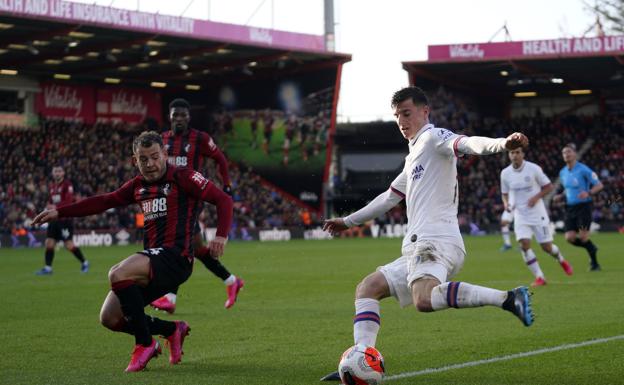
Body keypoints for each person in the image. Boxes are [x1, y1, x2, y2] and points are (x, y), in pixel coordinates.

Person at [320, 87, 533, 381]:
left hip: (437, 241)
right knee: (368, 288)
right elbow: (388, 198)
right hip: (418, 246)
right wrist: (348, 220)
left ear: (424, 112)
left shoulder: (435, 138)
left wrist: (502, 144)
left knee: (423, 299)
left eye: (406, 114)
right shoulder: (413, 157)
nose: (401, 122)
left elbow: (467, 143)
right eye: (397, 116)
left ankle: (509, 298)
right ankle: (360, 358)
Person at [32, 131, 233, 372]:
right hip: (153, 263)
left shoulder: (183, 177)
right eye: (143, 159)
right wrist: (60, 211)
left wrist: (221, 235)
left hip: (176, 258)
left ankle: (145, 343)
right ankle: (171, 329)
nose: (150, 164)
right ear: (134, 161)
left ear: (165, 155)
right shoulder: (137, 186)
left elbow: (224, 200)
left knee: (117, 273)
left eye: (155, 157)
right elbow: (105, 201)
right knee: (110, 318)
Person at [151, 98, 244, 314]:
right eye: (176, 115)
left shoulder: (199, 138)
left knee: (176, 245)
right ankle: (231, 281)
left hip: (191, 199)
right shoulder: (162, 139)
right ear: (170, 117)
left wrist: (227, 185)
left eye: (183, 115)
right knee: (196, 249)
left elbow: (220, 159)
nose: (180, 119)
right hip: (169, 200)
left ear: (189, 117)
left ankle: (170, 298)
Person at [500, 147, 573, 287]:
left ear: (523, 154)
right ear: (509, 155)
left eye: (517, 152)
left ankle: (561, 259)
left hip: (538, 214)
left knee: (547, 247)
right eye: (512, 153)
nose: (514, 155)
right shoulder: (505, 173)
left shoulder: (533, 169)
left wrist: (536, 197)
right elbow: (504, 193)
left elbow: (548, 186)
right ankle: (540, 277)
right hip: (520, 215)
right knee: (524, 245)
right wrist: (506, 204)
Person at [35, 165, 89, 275]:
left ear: (63, 173)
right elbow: (50, 201)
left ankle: (84, 262)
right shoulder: (52, 187)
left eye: (59, 171)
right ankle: (48, 268)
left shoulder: (67, 185)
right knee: (49, 243)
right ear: (53, 173)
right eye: (55, 171)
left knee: (69, 245)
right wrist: (49, 205)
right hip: (54, 219)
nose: (57, 173)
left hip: (65, 220)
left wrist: (54, 206)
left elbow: (68, 201)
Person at [557, 143, 603, 271]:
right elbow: (568, 189)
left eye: (569, 152)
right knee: (569, 238)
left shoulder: (584, 169)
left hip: (584, 207)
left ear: (575, 154)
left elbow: (599, 185)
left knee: (583, 237)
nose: (566, 154)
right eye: (564, 152)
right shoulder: (563, 172)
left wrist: (588, 193)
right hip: (570, 208)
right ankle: (591, 247)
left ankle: (595, 264)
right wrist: (561, 196)